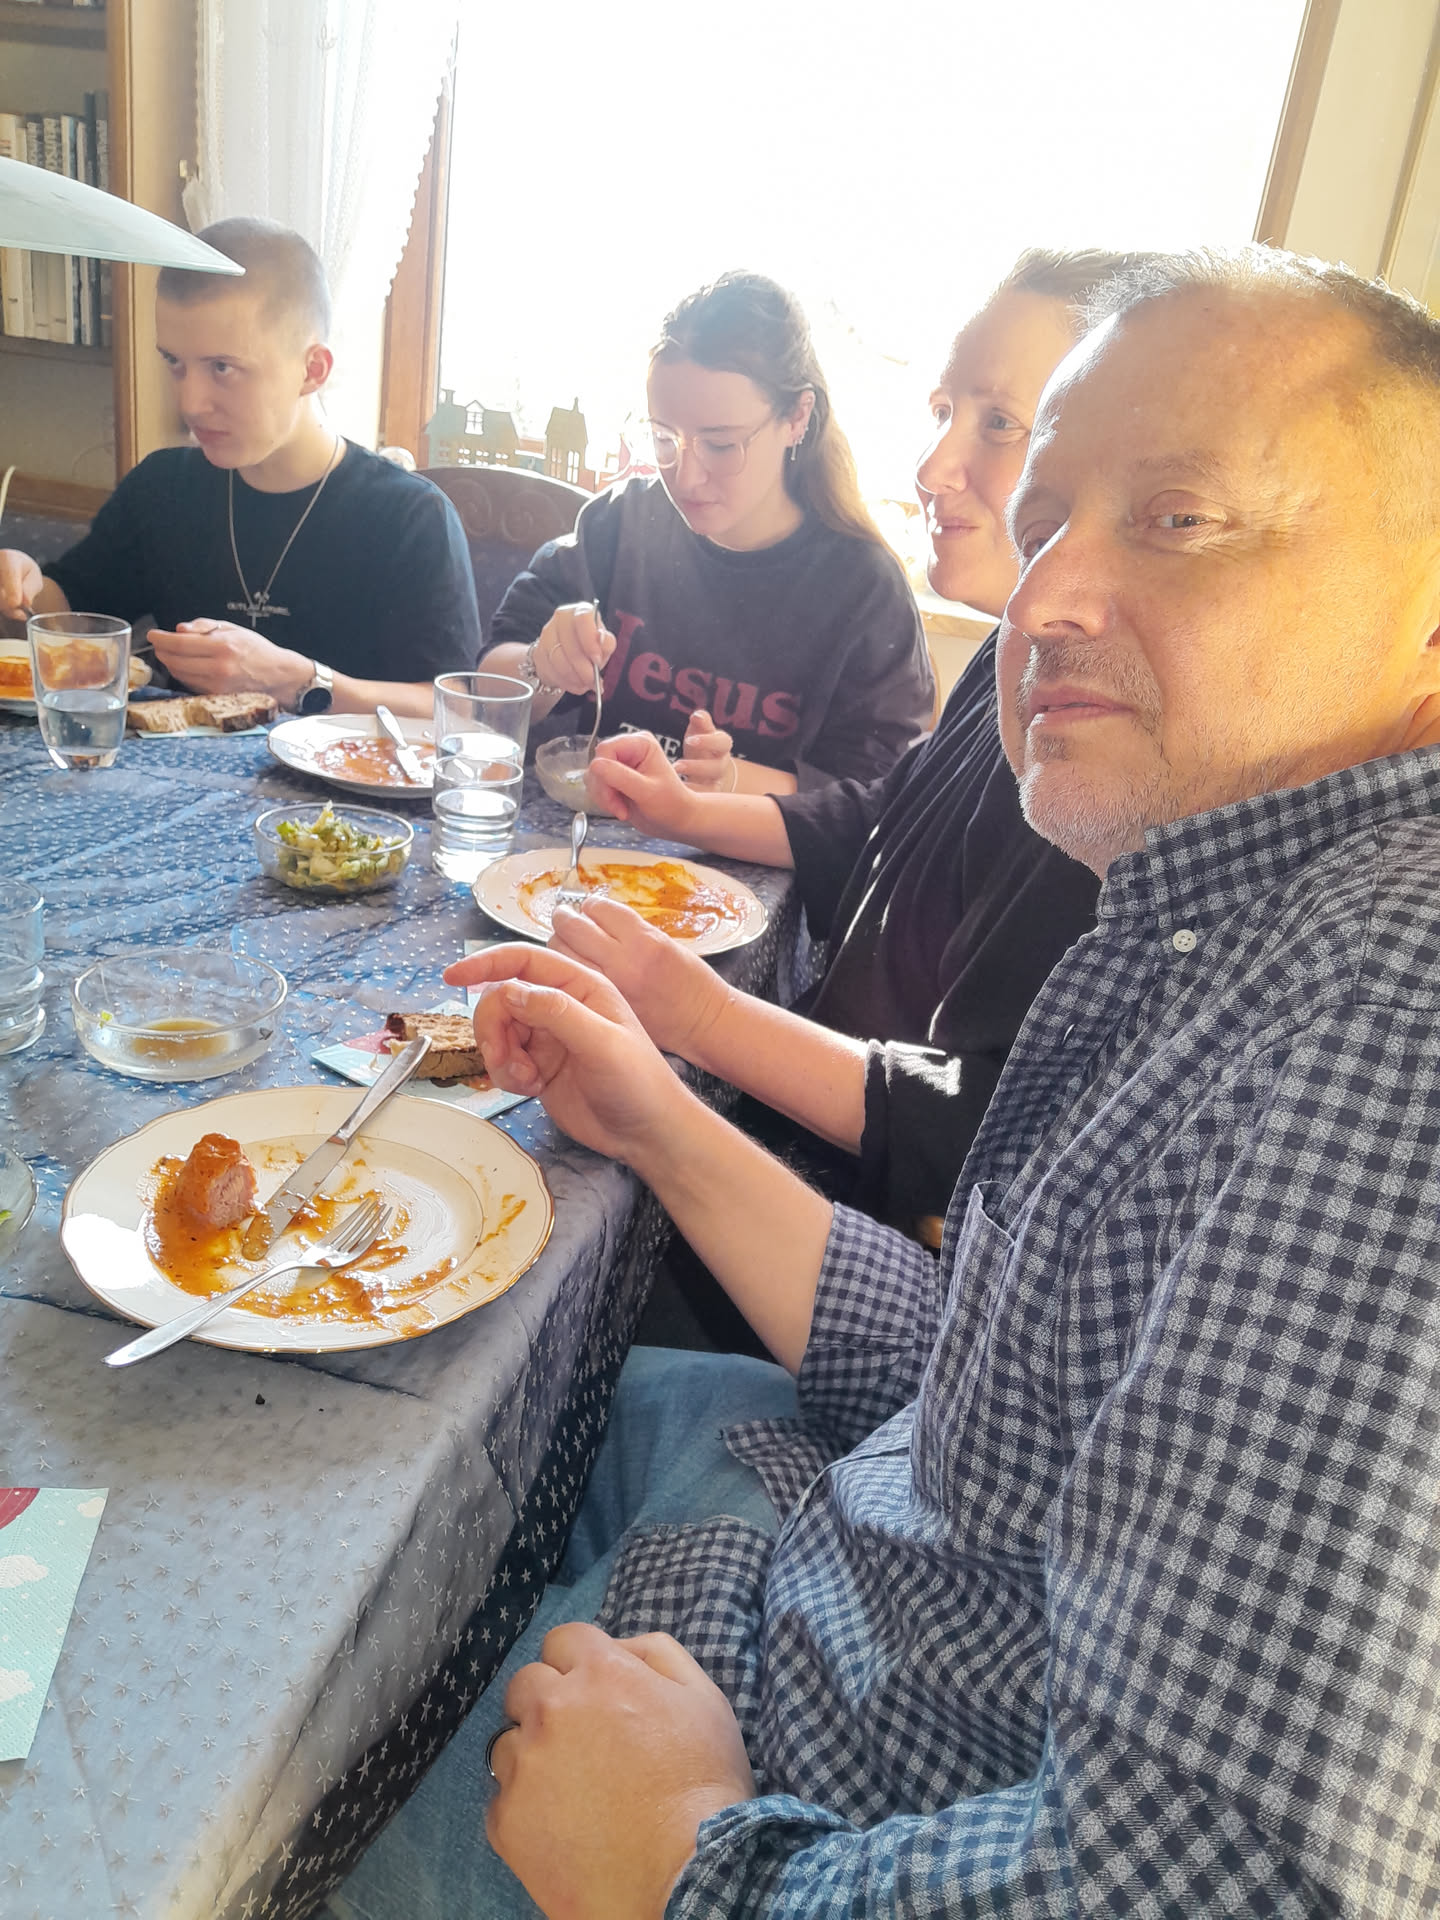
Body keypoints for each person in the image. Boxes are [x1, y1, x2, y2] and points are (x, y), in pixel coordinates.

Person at [326, 246, 1440, 1917]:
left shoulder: (1384, 1011)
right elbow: (999, 1399)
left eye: (1180, 517)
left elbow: (1248, 1880)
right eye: (1049, 518)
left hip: (812, 1789)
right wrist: (655, 1117)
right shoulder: (1206, 914)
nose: (1045, 598)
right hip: (819, 1533)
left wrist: (689, 1859)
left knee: (273, 1796)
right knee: (437, 1419)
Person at [560, 253, 1135, 1228]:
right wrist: (686, 810)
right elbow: (880, 813)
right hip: (805, 1115)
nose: (931, 468)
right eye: (944, 411)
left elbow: (979, 1124)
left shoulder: (1109, 766)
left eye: (999, 422)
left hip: (867, 1210)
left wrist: (699, 1014)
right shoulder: (1009, 651)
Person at [0, 217, 480, 718]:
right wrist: (20, 586)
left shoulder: (410, 517)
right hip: (173, 765)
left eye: (222, 368)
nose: (191, 402)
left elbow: (457, 711)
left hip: (349, 770)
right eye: (175, 362)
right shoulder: (161, 489)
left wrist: (298, 680)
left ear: (312, 370)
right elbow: (71, 621)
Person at [481, 270, 934, 792]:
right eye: (663, 438)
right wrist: (541, 665)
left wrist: (730, 781)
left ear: (797, 417)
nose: (686, 476)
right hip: (596, 834)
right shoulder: (619, 526)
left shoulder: (863, 590)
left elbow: (879, 799)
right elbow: (484, 693)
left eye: (720, 445)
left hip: (750, 848)